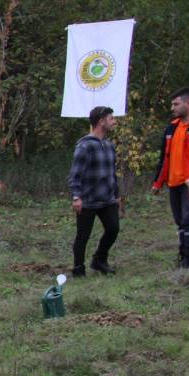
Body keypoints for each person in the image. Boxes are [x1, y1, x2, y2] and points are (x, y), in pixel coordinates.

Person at [151, 88, 189, 269]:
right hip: (174, 183)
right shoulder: (172, 127)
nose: (172, 108)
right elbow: (164, 158)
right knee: (180, 221)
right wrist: (157, 183)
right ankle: (184, 255)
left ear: (188, 103)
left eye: (176, 104)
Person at [67, 106, 121, 277]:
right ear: (101, 121)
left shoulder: (109, 145)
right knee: (83, 236)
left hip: (107, 199)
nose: (114, 122)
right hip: (88, 200)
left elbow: (112, 173)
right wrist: (76, 197)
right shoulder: (85, 146)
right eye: (111, 118)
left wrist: (117, 195)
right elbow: (75, 174)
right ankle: (78, 269)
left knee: (113, 229)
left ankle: (99, 260)